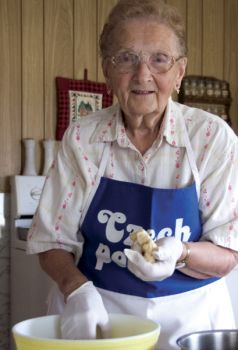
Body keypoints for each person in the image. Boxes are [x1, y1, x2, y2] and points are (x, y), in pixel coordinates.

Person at [27, 0, 238, 349]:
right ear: (107, 71)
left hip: (190, 326)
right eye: (125, 58)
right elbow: (51, 240)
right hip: (101, 324)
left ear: (179, 72)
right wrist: (76, 289)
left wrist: (181, 253)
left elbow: (229, 253)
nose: (143, 75)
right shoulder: (81, 139)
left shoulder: (212, 139)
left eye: (160, 59)